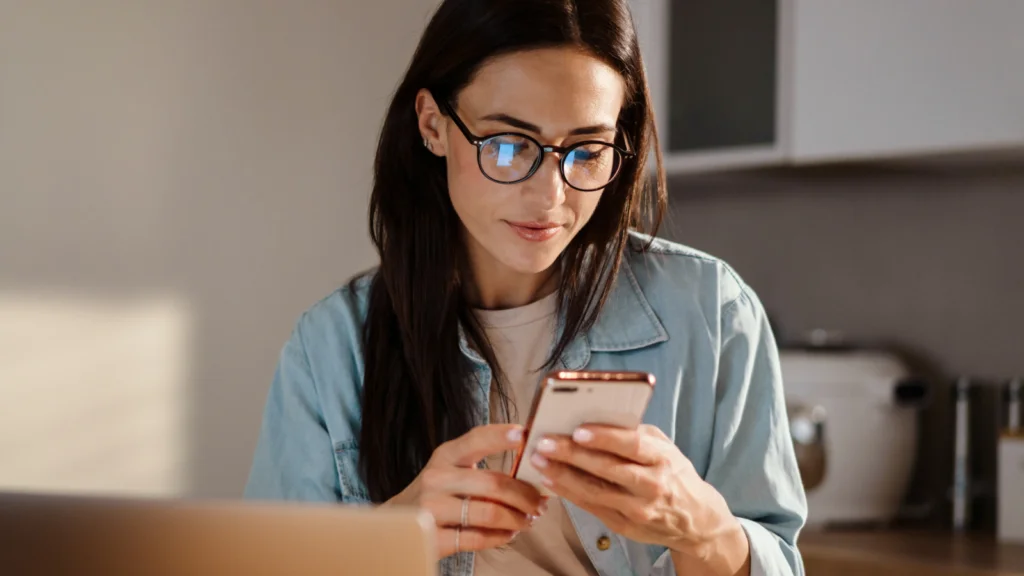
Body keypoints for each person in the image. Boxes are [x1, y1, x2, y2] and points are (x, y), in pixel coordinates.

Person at [244, 0, 807, 574]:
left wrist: (705, 531)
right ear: (433, 125)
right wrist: (390, 536)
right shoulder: (331, 349)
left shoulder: (712, 311)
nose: (550, 198)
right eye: (510, 146)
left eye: (587, 152)